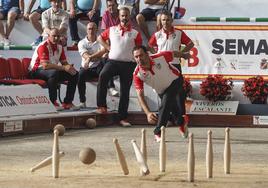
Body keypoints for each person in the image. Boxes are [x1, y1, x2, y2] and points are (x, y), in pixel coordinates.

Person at [132, 45, 188, 142]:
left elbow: (174, 53)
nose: (139, 58)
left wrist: (184, 55)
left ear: (147, 54)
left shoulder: (160, 57)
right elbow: (140, 95)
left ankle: (157, 132)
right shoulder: (137, 74)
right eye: (136, 57)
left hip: (176, 80)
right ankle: (182, 122)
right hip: (161, 90)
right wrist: (148, 113)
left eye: (141, 55)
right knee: (171, 108)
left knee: (166, 103)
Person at [97, 7, 142, 127]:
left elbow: (139, 49)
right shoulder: (111, 29)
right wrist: (108, 47)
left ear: (130, 17)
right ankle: (101, 106)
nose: (125, 18)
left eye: (127, 15)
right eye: (122, 15)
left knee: (125, 90)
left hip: (129, 64)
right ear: (119, 17)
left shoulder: (135, 33)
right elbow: (99, 38)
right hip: (113, 62)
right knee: (103, 75)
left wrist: (139, 63)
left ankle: (122, 118)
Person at [148, 11, 194, 127]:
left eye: (168, 20)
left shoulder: (178, 33)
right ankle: (168, 118)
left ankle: (182, 119)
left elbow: (190, 44)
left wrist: (181, 53)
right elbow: (150, 46)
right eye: (163, 20)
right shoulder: (157, 34)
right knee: (164, 93)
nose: (165, 22)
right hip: (162, 67)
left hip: (175, 65)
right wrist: (157, 54)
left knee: (179, 92)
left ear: (172, 20)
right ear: (161, 21)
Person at [28, 28, 79, 110]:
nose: (56, 38)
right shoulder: (43, 46)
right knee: (54, 73)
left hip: (51, 71)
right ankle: (53, 102)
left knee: (74, 73)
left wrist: (69, 67)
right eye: (53, 36)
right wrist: (63, 68)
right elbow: (45, 66)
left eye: (58, 36)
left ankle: (68, 102)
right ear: (48, 36)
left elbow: (64, 63)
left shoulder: (60, 47)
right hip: (35, 71)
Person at [77, 22, 112, 108]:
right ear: (86, 30)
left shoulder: (101, 41)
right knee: (80, 75)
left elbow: (103, 52)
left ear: (97, 30)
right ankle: (82, 102)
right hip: (87, 68)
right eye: (89, 29)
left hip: (99, 66)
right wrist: (91, 57)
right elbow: (85, 55)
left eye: (93, 28)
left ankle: (102, 104)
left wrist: (90, 58)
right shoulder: (81, 43)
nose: (91, 31)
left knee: (106, 65)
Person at [100, 0, 120, 97]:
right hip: (110, 42)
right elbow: (105, 35)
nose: (111, 8)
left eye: (112, 5)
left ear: (117, 5)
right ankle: (111, 86)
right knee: (105, 57)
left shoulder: (122, 14)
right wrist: (109, 49)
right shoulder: (105, 14)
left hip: (120, 41)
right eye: (109, 6)